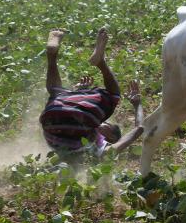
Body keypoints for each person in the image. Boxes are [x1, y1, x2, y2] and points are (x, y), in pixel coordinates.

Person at [39, 28, 144, 160]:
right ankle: (52, 54)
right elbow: (71, 115)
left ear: (110, 137)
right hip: (51, 121)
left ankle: (100, 63)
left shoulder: (103, 148)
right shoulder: (97, 153)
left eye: (108, 125)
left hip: (55, 118)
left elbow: (139, 129)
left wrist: (137, 104)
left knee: (114, 95)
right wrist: (78, 94)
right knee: (56, 93)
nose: (103, 122)